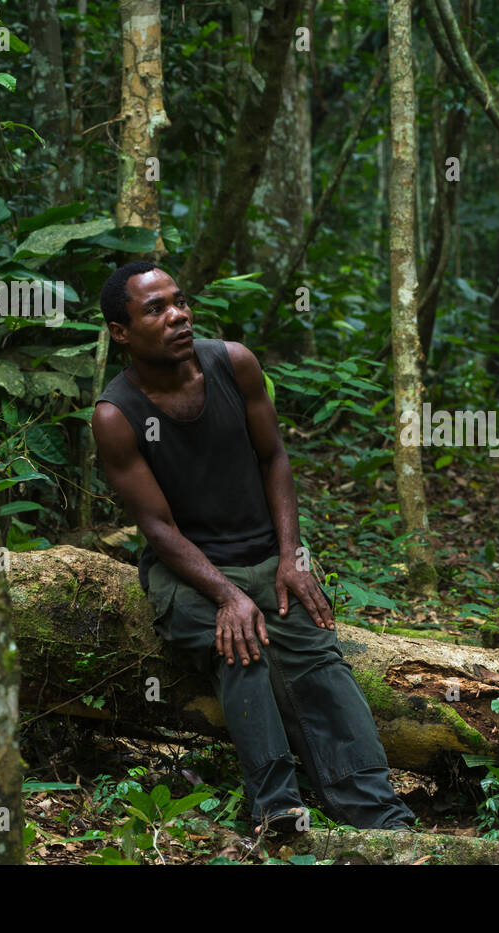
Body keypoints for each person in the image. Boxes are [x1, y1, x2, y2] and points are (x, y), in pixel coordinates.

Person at [92, 260, 415, 835]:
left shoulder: (234, 364)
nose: (178, 316)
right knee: (241, 647)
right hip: (187, 569)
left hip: (266, 553)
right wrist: (226, 596)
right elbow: (158, 529)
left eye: (180, 301)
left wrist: (291, 557)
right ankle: (278, 811)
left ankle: (378, 814)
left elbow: (274, 458)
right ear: (122, 331)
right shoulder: (117, 415)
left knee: (318, 657)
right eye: (156, 309)